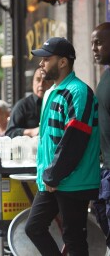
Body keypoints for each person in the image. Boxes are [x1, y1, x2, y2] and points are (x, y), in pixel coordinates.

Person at [24, 37, 100, 256]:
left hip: (73, 180)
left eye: (46, 59)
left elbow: (75, 138)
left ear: (63, 62)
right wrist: (48, 175)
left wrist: (53, 175)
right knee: (34, 228)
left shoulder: (79, 92)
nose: (41, 64)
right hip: (53, 178)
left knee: (74, 237)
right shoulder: (51, 92)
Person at [91, 22, 110, 250]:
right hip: (104, 170)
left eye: (99, 43)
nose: (94, 48)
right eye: (92, 44)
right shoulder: (105, 76)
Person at [5, 67, 52, 138]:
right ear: (32, 82)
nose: (41, 84)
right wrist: (32, 132)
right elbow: (10, 133)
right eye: (38, 80)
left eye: (45, 80)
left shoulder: (58, 103)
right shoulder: (22, 106)